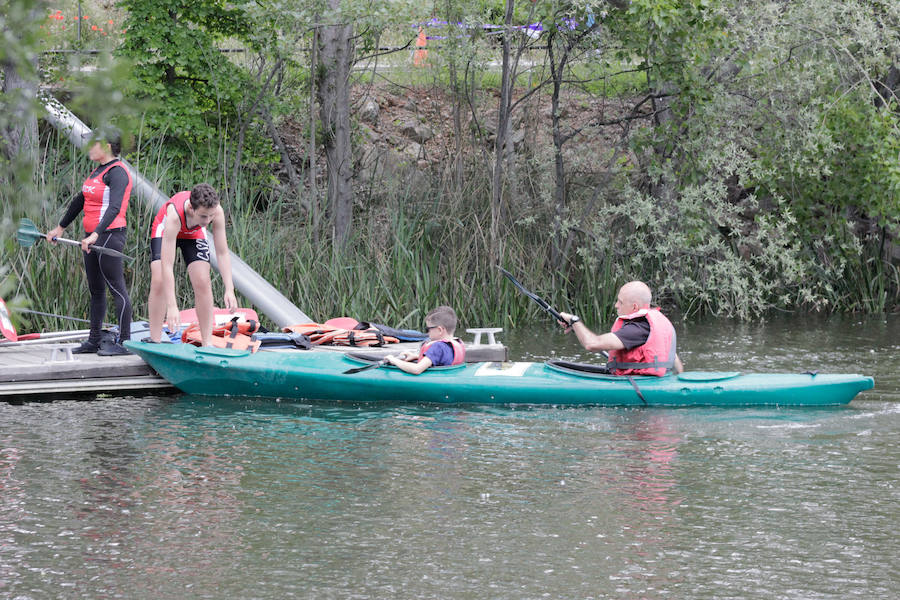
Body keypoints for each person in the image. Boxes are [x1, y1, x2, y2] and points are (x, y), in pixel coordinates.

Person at [46, 127, 133, 356]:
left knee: (117, 288)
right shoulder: (97, 171)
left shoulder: (118, 172)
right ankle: (94, 340)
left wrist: (96, 234)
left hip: (110, 235)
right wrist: (60, 227)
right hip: (91, 237)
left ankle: (124, 342)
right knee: (96, 291)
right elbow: (79, 201)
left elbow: (114, 207)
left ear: (106, 146)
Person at [147, 183, 237, 346]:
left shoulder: (216, 212)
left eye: (211, 216)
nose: (208, 221)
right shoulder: (174, 216)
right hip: (165, 230)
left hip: (193, 235)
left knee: (203, 282)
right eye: (204, 216)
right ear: (191, 209)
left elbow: (222, 252)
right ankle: (155, 339)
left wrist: (229, 288)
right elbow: (167, 265)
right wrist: (172, 306)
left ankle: (207, 343)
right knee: (159, 280)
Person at [559, 281, 684, 376]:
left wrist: (574, 320)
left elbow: (591, 344)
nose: (616, 305)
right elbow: (675, 362)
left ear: (634, 307)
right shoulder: (653, 324)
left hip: (640, 388)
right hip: (656, 381)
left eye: (620, 302)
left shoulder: (637, 329)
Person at [385, 305, 465, 375]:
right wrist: (416, 356)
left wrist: (393, 360)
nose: (427, 333)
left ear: (440, 330)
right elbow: (443, 358)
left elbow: (416, 369)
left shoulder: (438, 347)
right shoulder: (457, 343)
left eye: (428, 329)